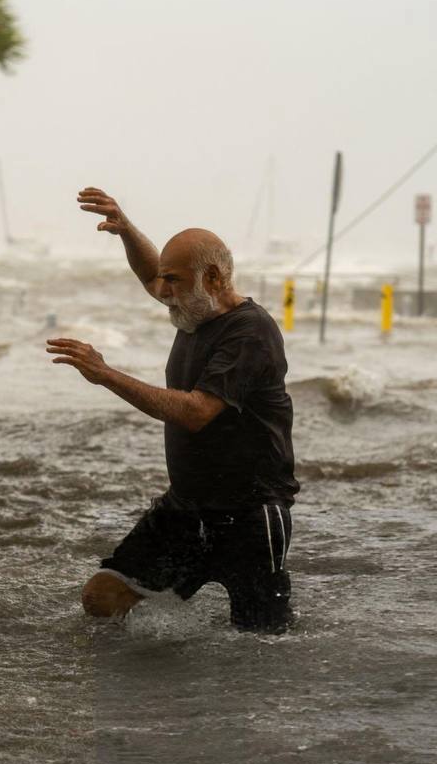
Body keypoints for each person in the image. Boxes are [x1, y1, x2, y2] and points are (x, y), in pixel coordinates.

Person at [47, 187, 300, 632]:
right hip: (186, 509)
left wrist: (107, 374)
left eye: (175, 281)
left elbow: (196, 411)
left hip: (251, 515)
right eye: (165, 280)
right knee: (102, 598)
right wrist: (126, 231)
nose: (163, 291)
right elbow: (150, 275)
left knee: (261, 644)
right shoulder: (192, 309)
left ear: (216, 278)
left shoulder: (250, 332)